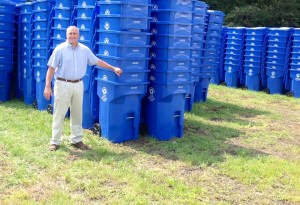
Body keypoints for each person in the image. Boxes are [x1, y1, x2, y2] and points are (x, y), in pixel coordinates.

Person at [44, 26, 122, 151]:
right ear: (66, 35)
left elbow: (96, 61)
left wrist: (113, 68)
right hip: (62, 84)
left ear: (79, 35)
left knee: (77, 113)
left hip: (78, 84)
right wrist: (47, 87)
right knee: (59, 113)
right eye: (70, 34)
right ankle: (55, 141)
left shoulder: (84, 50)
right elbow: (51, 69)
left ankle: (76, 140)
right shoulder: (60, 49)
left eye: (75, 33)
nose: (72, 36)